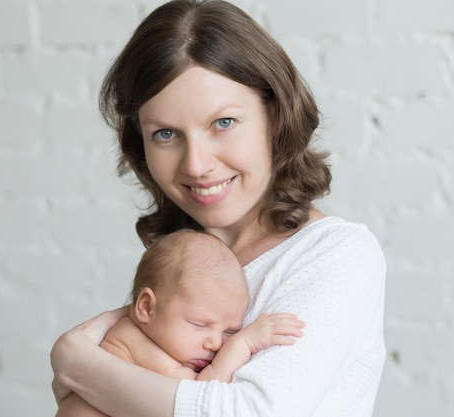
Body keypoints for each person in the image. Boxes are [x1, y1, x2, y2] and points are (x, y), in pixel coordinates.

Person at [50, 0, 387, 416]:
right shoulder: (185, 262)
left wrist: (79, 365)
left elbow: (249, 412)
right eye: (166, 133)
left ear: (275, 116)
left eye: (223, 122)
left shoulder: (336, 255)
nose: (196, 163)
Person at [56, 229, 304, 417]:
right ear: (146, 307)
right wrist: (243, 342)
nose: (216, 343)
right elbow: (200, 393)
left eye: (230, 331)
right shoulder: (134, 342)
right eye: (199, 324)